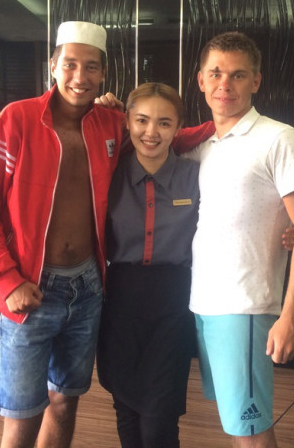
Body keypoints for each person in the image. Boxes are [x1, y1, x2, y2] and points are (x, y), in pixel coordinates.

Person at [0, 21, 126, 448]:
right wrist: (5, 279)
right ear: (52, 66)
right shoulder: (16, 119)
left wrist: (220, 128)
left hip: (88, 287)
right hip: (30, 286)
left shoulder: (112, 125)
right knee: (21, 416)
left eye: (91, 67)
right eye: (70, 64)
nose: (79, 76)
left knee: (65, 402)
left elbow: (162, 138)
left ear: (103, 74)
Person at [185, 31, 294, 448]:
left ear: (256, 81)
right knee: (238, 424)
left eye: (238, 75)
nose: (225, 84)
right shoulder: (203, 146)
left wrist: (292, 315)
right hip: (205, 304)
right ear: (201, 80)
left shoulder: (279, 139)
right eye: (216, 73)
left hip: (245, 307)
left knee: (252, 432)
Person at [96, 82, 200, 448]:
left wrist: (286, 229)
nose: (151, 132)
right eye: (141, 120)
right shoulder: (107, 174)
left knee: (159, 420)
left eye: (164, 122)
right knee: (127, 413)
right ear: (126, 121)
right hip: (120, 302)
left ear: (178, 127)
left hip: (174, 304)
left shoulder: (196, 176)